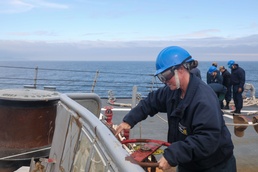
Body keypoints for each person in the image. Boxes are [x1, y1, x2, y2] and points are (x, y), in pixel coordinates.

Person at [115, 46, 236, 172]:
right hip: (188, 162)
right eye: (162, 77)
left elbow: (206, 139)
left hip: (215, 166)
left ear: (181, 69)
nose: (165, 81)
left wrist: (173, 155)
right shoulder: (173, 91)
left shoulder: (203, 99)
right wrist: (129, 121)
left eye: (166, 75)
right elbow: (151, 101)